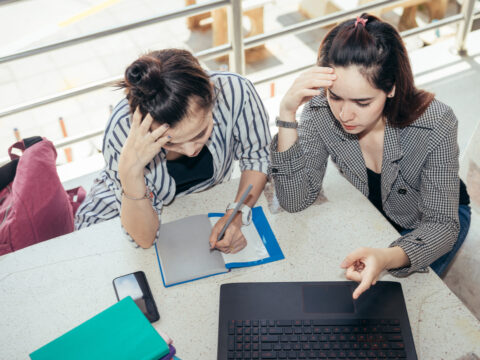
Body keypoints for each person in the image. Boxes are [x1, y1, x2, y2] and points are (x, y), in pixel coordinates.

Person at [269, 14, 471, 299]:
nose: (344, 114)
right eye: (334, 96)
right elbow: (294, 200)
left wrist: (387, 257)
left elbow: (442, 225)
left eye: (362, 102)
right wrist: (287, 114)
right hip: (379, 212)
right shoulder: (319, 112)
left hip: (432, 217)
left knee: (407, 300)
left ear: (391, 88)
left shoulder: (436, 122)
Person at [75, 49, 271, 252]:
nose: (190, 151)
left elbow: (257, 157)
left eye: (199, 133)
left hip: (195, 208)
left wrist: (236, 215)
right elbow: (144, 239)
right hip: (114, 213)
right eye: (169, 143)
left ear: (211, 94)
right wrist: (129, 173)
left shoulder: (235, 90)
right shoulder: (122, 130)